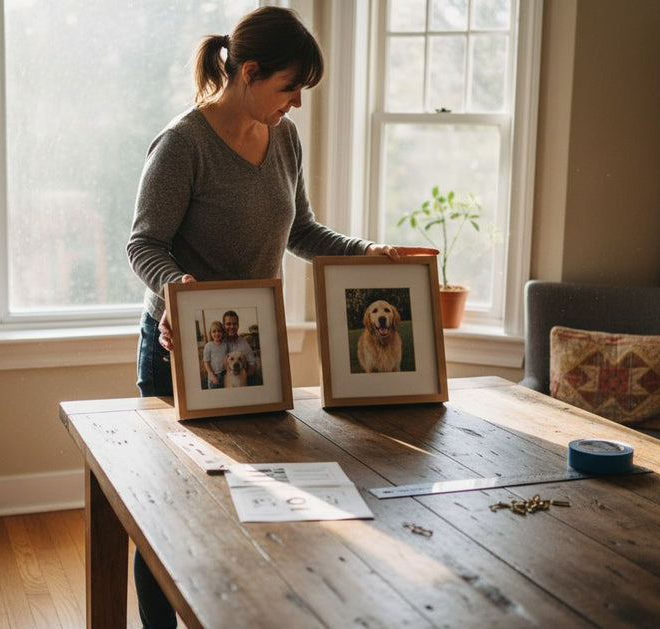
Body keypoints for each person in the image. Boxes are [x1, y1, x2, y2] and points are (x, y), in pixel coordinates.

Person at [125, 6, 433, 627]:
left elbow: (303, 232)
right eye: (289, 87)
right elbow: (144, 244)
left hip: (255, 353)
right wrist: (178, 288)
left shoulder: (284, 137)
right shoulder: (183, 145)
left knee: (253, 495)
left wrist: (366, 252)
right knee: (170, 508)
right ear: (249, 73)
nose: (296, 103)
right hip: (180, 351)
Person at [201, 320, 228, 388]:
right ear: (210, 333)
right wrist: (212, 375)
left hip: (224, 373)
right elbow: (206, 362)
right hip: (213, 375)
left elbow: (226, 360)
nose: (217, 333)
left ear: (223, 333)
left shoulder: (225, 345)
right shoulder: (208, 346)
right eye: (214, 331)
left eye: (219, 331)